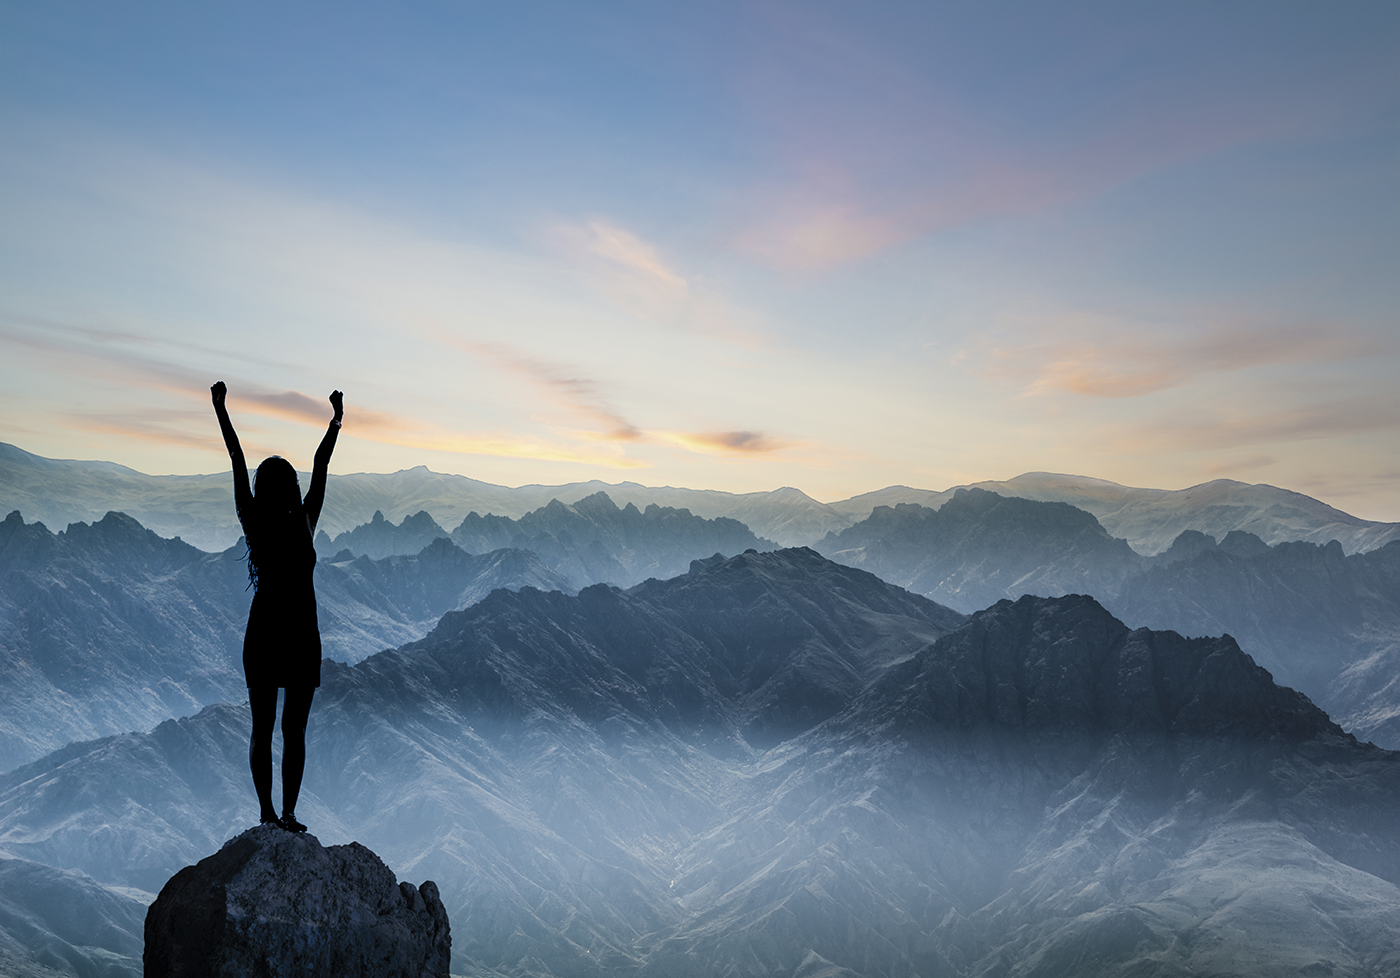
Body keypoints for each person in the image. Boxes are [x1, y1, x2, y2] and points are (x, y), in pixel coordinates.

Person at [211, 380, 342, 832]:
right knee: (291, 732)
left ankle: (268, 815)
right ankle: (285, 814)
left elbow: (235, 457)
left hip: (265, 634)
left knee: (264, 729)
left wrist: (221, 409)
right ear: (291, 488)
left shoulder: (253, 520)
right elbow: (321, 463)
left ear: (260, 489)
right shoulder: (306, 520)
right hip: (302, 635)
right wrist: (336, 420)